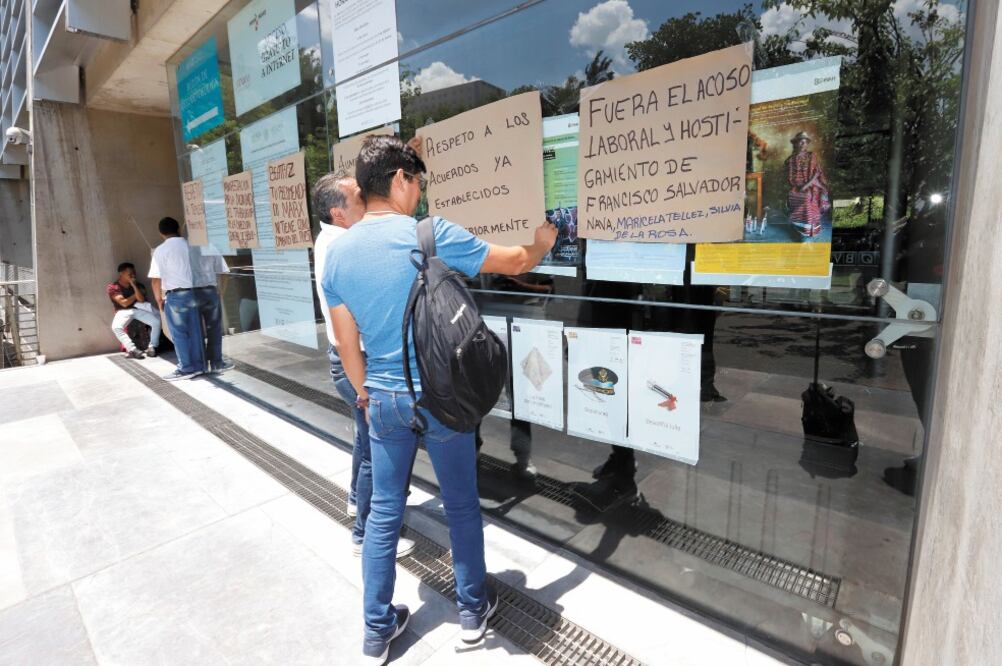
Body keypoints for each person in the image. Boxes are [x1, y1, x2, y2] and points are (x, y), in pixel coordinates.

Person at [322, 135, 556, 665]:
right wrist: (542, 243)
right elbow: (514, 261)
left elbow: (344, 341)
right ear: (401, 180)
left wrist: (364, 393)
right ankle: (473, 615)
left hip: (382, 401)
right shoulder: (429, 234)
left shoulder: (338, 254)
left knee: (383, 511)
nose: (421, 190)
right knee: (460, 505)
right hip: (441, 399)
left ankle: (376, 630)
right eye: (418, 179)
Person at [311, 172, 415, 559]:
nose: (370, 197)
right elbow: (348, 333)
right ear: (339, 213)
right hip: (359, 363)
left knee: (364, 439)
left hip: (352, 361)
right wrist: (363, 386)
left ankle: (357, 500)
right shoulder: (344, 247)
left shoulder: (333, 239)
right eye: (360, 195)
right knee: (379, 451)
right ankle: (365, 535)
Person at [149, 217, 204, 381]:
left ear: (161, 233)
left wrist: (158, 299)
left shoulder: (161, 250)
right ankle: (199, 365)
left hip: (176, 295)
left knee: (179, 334)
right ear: (179, 228)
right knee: (195, 331)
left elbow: (155, 279)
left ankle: (186, 368)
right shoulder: (192, 246)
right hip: (195, 292)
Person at [189, 244, 233, 374]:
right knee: (214, 329)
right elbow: (224, 271)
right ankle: (216, 363)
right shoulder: (211, 247)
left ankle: (200, 364)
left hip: (190, 293)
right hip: (209, 291)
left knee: (195, 331)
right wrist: (221, 292)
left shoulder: (183, 248)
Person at [107, 261, 161, 359]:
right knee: (116, 327)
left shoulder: (139, 285)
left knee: (156, 322)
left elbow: (141, 299)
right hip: (122, 311)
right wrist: (134, 295)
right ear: (121, 274)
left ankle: (152, 347)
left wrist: (134, 285)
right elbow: (124, 303)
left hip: (138, 309)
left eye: (134, 273)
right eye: (130, 274)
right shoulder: (113, 287)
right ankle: (133, 350)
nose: (133, 275)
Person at [785, 131, 829, 239]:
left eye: (805, 142)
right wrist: (798, 186)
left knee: (807, 197)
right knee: (794, 196)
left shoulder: (811, 155)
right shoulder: (790, 159)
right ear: (795, 144)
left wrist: (806, 186)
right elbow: (790, 178)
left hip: (812, 185)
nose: (803, 144)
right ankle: (799, 229)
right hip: (796, 187)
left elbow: (816, 174)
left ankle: (808, 231)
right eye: (800, 142)